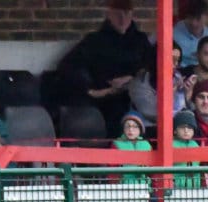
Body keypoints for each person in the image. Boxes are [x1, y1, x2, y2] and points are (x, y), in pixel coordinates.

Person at [56, 0, 153, 137]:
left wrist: (131, 78)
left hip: (137, 98)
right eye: (118, 14)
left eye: (126, 14)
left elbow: (151, 66)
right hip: (105, 101)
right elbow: (68, 66)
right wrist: (93, 91)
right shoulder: (94, 41)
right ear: (109, 14)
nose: (122, 19)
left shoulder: (141, 41)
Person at [173, 0, 208, 68]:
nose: (193, 23)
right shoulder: (174, 32)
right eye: (191, 18)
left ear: (207, 18)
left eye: (198, 19)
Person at [172, 109, 202, 188]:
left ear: (193, 130)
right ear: (175, 131)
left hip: (195, 187)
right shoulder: (171, 145)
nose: (186, 130)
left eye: (189, 127)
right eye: (182, 127)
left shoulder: (195, 145)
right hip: (176, 187)